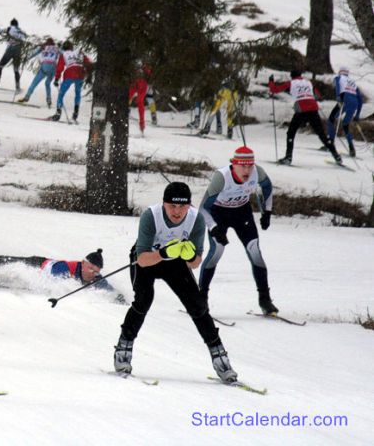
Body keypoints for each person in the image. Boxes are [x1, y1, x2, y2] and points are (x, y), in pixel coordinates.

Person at [113, 182, 238, 383]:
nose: (177, 211)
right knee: (144, 299)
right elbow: (142, 259)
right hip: (149, 258)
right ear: (164, 204)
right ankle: (124, 348)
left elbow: (196, 263)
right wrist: (163, 252)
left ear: (189, 206)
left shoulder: (196, 219)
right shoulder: (150, 216)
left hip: (175, 262)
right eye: (172, 206)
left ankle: (219, 356)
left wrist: (189, 256)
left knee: (197, 305)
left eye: (182, 206)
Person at [198, 146, 276, 314]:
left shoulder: (258, 172)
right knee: (217, 251)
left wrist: (267, 211)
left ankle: (265, 299)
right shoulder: (222, 177)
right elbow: (203, 209)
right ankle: (201, 298)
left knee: (254, 251)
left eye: (250, 165)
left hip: (242, 213)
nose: (247, 170)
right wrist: (214, 228)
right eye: (242, 166)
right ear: (234, 164)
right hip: (218, 214)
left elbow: (268, 188)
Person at [0, 247, 125, 303]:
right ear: (83, 263)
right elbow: (53, 282)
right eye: (90, 268)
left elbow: (110, 291)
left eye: (96, 271)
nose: (93, 273)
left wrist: (118, 298)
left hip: (41, 266)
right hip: (36, 264)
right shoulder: (66, 268)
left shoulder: (96, 279)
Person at [269, 70, 341, 165]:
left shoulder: (291, 82)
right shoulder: (308, 82)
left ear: (292, 76)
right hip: (313, 108)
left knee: (291, 132)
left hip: (302, 108)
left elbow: (274, 90)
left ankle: (288, 157)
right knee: (321, 134)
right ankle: (336, 155)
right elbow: (318, 95)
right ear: (300, 75)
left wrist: (271, 81)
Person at [50, 41, 92, 123]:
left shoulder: (64, 55)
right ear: (72, 47)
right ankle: (76, 113)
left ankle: (58, 113)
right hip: (80, 74)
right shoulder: (79, 53)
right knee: (77, 93)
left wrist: (56, 79)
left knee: (61, 94)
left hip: (70, 73)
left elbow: (60, 67)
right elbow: (88, 62)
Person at [326, 66, 363, 158]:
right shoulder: (353, 82)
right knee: (345, 125)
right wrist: (357, 114)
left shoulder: (339, 78)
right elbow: (360, 99)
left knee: (331, 119)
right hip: (354, 102)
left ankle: (330, 142)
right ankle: (351, 148)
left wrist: (338, 96)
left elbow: (338, 86)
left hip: (344, 99)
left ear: (340, 73)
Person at [18, 38, 59, 108]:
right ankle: (49, 99)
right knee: (47, 83)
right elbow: (64, 54)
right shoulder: (57, 49)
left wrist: (26, 58)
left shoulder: (43, 47)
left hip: (45, 66)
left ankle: (27, 96)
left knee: (35, 82)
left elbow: (34, 53)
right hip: (53, 68)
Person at [0, 18, 26, 92]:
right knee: (16, 69)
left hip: (11, 49)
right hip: (18, 51)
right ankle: (18, 87)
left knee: (0, 66)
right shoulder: (21, 31)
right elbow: (24, 40)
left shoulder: (10, 28)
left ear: (11, 24)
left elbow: (1, 31)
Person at [127, 63, 153, 134]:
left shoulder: (144, 63)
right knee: (130, 99)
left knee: (139, 102)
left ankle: (142, 124)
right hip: (135, 84)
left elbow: (149, 74)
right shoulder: (135, 62)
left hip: (141, 84)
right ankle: (124, 112)